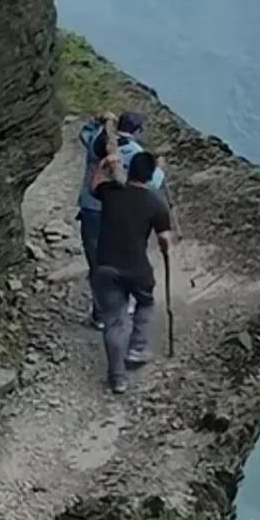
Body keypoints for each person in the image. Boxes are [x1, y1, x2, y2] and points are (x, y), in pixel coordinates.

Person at [91, 115, 173, 394]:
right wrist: (164, 250)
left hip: (105, 268)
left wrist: (105, 165)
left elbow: (96, 185)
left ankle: (117, 377)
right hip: (136, 269)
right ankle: (137, 349)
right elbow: (164, 238)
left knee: (114, 321)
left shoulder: (112, 192)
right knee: (146, 303)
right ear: (150, 176)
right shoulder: (156, 202)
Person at [77, 111, 166, 328]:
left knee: (97, 263)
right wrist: (160, 169)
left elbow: (83, 133)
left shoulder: (97, 139)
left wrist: (99, 121)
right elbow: (151, 183)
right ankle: (121, 308)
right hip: (116, 212)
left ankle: (100, 314)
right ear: (137, 131)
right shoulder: (135, 152)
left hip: (90, 208)